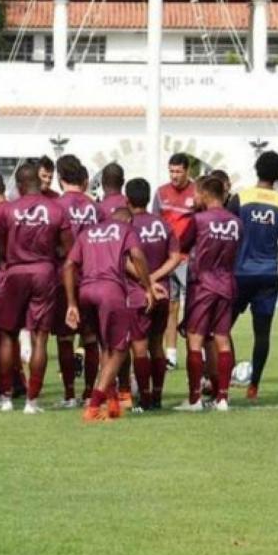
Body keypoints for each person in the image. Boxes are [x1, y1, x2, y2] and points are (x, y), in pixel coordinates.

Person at [0, 165, 72, 414]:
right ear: (39, 183)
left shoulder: (6, 209)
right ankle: (32, 401)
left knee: (7, 334)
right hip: (44, 272)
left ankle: (6, 397)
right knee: (40, 336)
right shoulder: (56, 209)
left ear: (17, 185)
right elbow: (68, 249)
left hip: (14, 272)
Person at [64, 207, 155, 422]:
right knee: (120, 349)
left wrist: (71, 303)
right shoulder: (126, 229)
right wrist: (148, 286)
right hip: (111, 291)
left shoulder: (88, 232)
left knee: (105, 345)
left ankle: (112, 402)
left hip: (86, 291)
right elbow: (137, 255)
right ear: (129, 221)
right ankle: (94, 405)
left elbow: (69, 264)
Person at [228, 151, 278, 402]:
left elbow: (228, 232)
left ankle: (223, 376)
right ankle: (253, 386)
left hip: (239, 273)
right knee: (262, 334)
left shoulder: (240, 198)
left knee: (222, 329)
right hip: (267, 275)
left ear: (257, 169)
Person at [175, 177, 242, 413]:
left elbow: (181, 246)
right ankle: (223, 398)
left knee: (195, 339)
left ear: (203, 193)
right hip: (227, 283)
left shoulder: (199, 220)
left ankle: (194, 399)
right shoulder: (236, 222)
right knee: (223, 339)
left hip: (202, 285)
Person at [125, 179, 182, 410]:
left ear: (127, 200)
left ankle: (145, 396)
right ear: (149, 199)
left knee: (139, 346)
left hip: (139, 293)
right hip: (163, 292)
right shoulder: (162, 224)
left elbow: (125, 260)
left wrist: (146, 280)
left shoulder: (128, 226)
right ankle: (157, 395)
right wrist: (157, 278)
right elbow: (176, 257)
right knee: (157, 345)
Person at [53, 154, 105, 407]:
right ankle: (88, 393)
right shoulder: (95, 207)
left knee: (64, 337)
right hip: (93, 275)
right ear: (83, 179)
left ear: (59, 178)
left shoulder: (56, 207)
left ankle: (69, 394)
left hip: (64, 277)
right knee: (91, 338)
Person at [154, 153, 198, 370]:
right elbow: (154, 222)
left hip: (190, 258)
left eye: (178, 171)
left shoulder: (197, 192)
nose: (174, 176)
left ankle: (197, 353)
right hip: (168, 259)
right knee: (171, 306)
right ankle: (170, 355)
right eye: (171, 171)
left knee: (194, 308)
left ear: (187, 171)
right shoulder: (161, 193)